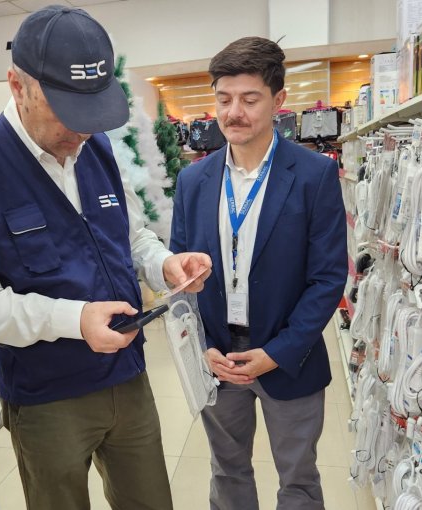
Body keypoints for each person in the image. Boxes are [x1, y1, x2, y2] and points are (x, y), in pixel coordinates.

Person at [0, 5, 211, 510]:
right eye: (66, 112)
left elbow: (130, 236)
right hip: (47, 397)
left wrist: (163, 264)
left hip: (128, 377)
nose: (82, 131)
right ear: (18, 86)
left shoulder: (98, 147)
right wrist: (75, 319)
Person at [170, 37, 347, 510]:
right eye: (224, 99)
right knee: (227, 473)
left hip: (289, 357)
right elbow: (180, 276)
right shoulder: (193, 181)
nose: (234, 113)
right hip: (219, 358)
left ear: (278, 100)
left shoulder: (313, 175)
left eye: (250, 99)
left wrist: (277, 353)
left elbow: (328, 278)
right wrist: (200, 345)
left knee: (299, 481)